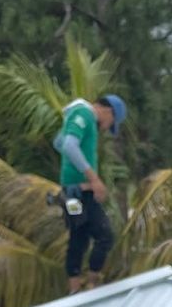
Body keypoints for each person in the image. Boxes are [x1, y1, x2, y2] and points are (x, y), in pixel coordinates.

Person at [54, 93, 126, 294]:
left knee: (79, 237)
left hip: (72, 193)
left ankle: (75, 288)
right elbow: (68, 145)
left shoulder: (76, 115)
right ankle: (93, 284)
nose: (105, 129)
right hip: (79, 194)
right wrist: (93, 179)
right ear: (109, 111)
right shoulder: (84, 114)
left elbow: (59, 143)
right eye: (110, 123)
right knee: (105, 236)